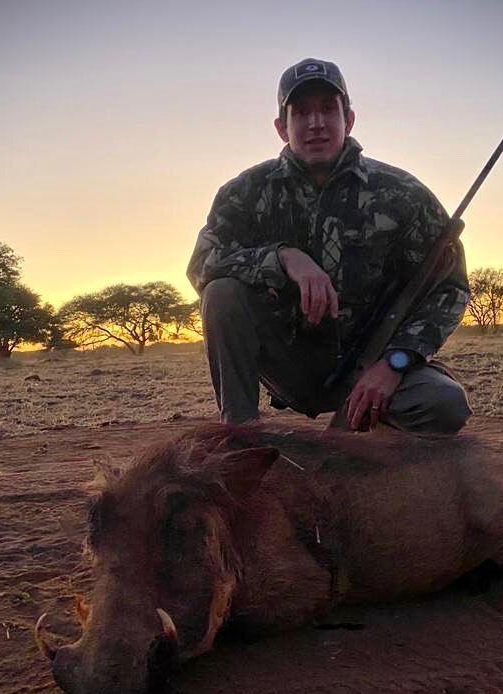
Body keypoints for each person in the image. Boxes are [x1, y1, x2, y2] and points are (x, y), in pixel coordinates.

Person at [187, 57, 472, 432]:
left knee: (445, 404)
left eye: (327, 109)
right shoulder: (244, 193)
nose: (316, 123)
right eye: (301, 112)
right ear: (281, 127)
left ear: (348, 119)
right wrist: (285, 258)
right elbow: (203, 263)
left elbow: (449, 289)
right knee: (221, 293)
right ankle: (240, 439)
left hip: (374, 367)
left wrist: (395, 362)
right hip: (288, 369)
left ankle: (376, 441)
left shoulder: (404, 194)